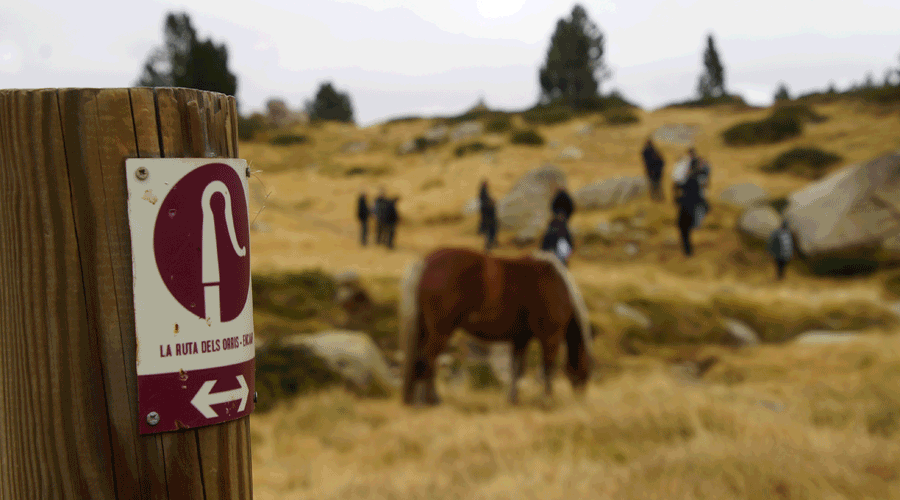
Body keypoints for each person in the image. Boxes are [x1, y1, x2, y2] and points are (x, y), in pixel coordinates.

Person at [674, 160, 706, 256]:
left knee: (684, 230)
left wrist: (678, 197)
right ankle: (688, 249)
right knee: (686, 231)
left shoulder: (691, 179)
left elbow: (682, 189)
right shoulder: (696, 178)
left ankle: (688, 250)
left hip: (686, 209)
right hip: (691, 208)